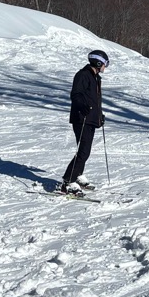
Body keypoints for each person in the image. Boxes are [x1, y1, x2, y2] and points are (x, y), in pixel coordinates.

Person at [61, 50, 108, 195]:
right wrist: (82, 107)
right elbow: (76, 95)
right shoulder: (83, 75)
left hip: (90, 119)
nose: (105, 67)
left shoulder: (95, 77)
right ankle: (68, 181)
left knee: (84, 151)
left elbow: (93, 100)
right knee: (83, 152)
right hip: (82, 118)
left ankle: (78, 175)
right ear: (98, 63)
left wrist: (99, 116)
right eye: (105, 64)